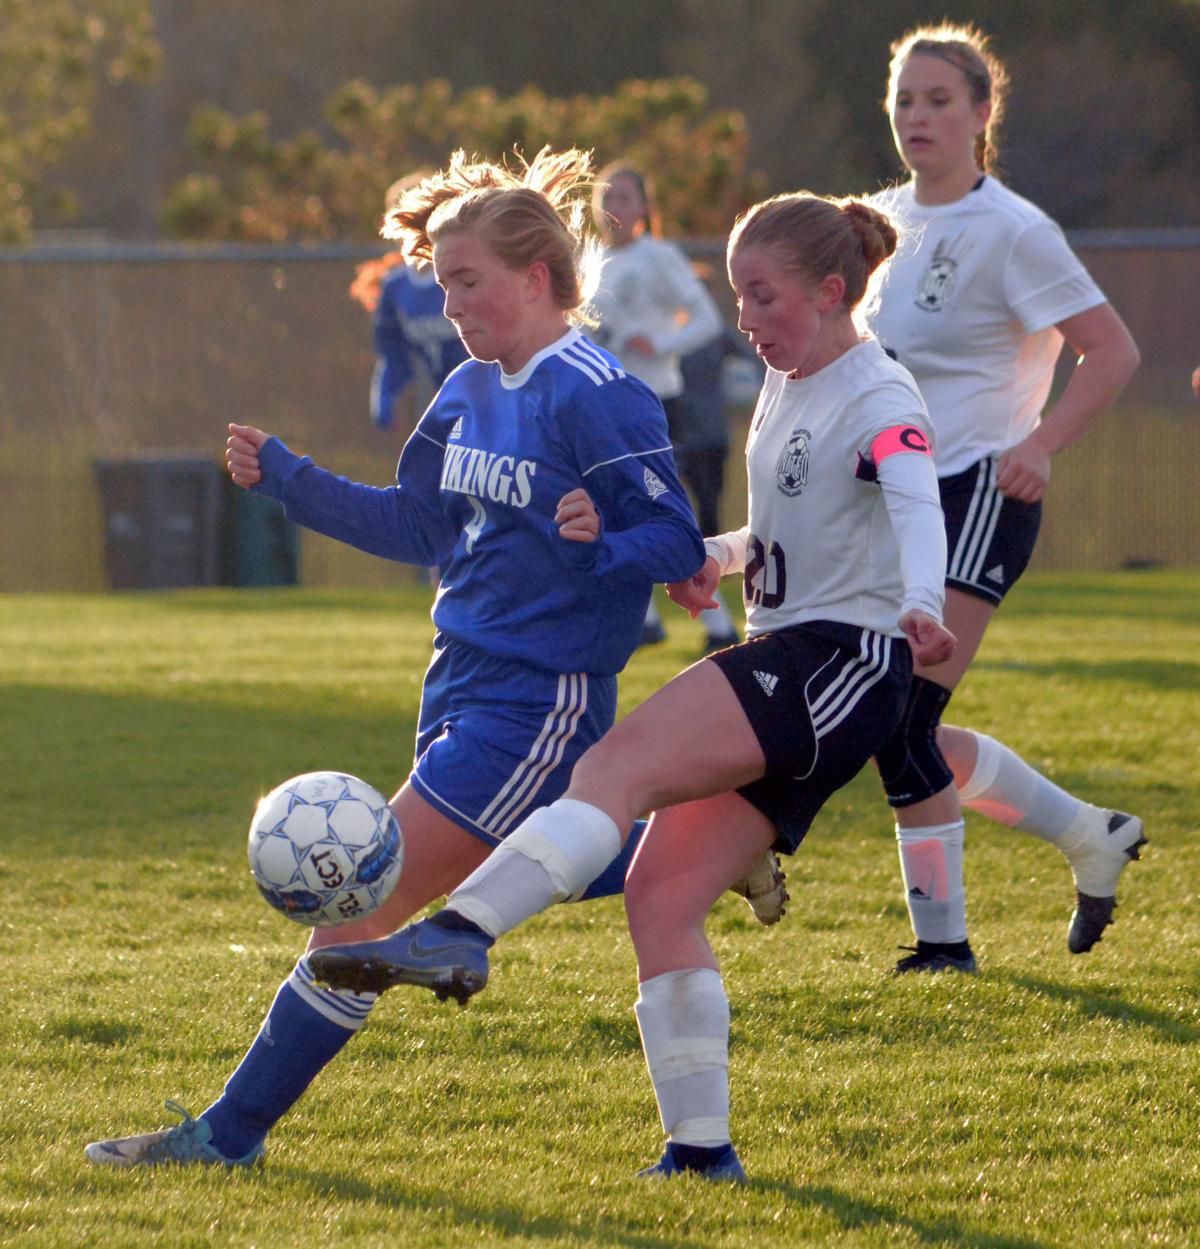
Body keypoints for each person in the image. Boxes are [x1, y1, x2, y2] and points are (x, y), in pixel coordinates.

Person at [83, 146, 711, 1170]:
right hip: (456, 679)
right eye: (440, 280)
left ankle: (225, 1134)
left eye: (466, 280)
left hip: (541, 692)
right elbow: (416, 527)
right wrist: (287, 478)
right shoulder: (465, 388)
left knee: (360, 908)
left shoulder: (599, 395)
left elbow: (679, 542)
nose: (449, 302)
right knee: (479, 869)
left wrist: (606, 539)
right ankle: (699, 850)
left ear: (537, 277)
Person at [309, 190, 956, 1181]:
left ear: (831, 293)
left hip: (840, 659)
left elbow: (912, 495)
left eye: (762, 295)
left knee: (616, 765)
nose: (742, 317)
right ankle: (701, 1155)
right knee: (659, 892)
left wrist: (920, 599)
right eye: (736, 293)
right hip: (799, 644)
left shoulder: (878, 396)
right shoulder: (792, 380)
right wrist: (720, 553)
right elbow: (800, 533)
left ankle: (458, 932)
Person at [866, 24, 1144, 973]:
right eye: (905, 98)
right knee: (891, 722)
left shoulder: (1015, 230)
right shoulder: (870, 222)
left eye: (939, 100)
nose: (918, 116)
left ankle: (944, 949)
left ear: (983, 113)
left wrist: (1041, 443)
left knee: (904, 722)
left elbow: (1112, 351)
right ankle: (1086, 832)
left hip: (978, 491)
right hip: (888, 502)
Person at [590, 162, 739, 654]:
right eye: (606, 196)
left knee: (668, 512)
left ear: (644, 207)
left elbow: (707, 320)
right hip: (605, 404)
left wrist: (660, 340)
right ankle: (644, 620)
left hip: (653, 400)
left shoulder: (658, 256)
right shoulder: (589, 261)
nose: (614, 206)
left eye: (626, 196)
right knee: (612, 508)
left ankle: (719, 626)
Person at [350, 176, 469, 431]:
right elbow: (393, 353)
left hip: (491, 397)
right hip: (452, 405)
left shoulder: (467, 273)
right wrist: (384, 398)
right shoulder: (395, 286)